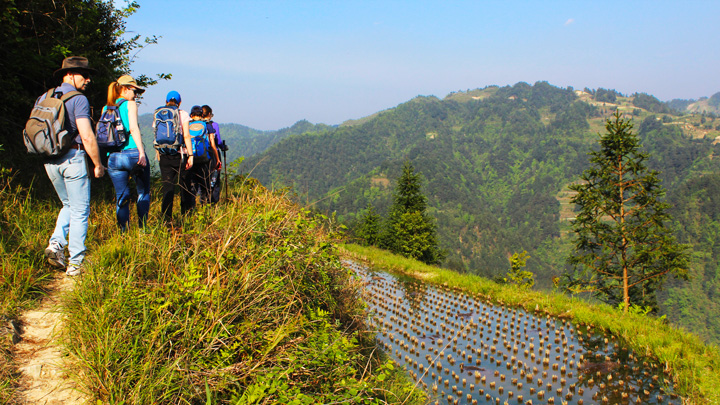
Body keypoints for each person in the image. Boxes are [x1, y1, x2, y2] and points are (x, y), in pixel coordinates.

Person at [41, 56, 106, 276]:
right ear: (68, 75)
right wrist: (97, 164)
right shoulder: (78, 99)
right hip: (73, 158)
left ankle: (56, 244)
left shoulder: (45, 96)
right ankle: (75, 264)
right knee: (80, 211)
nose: (88, 79)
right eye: (83, 74)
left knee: (68, 205)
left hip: (50, 161)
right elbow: (87, 136)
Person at [104, 75, 150, 231]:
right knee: (143, 192)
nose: (135, 95)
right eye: (134, 90)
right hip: (131, 153)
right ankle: (142, 229)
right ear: (124, 89)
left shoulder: (106, 108)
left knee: (121, 196)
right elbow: (134, 128)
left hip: (114, 156)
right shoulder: (130, 104)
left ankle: (123, 233)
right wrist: (141, 153)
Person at [154, 91, 193, 223]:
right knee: (184, 186)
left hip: (164, 155)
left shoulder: (158, 113)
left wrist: (158, 154)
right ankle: (186, 216)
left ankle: (166, 218)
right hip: (180, 154)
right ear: (179, 102)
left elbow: (157, 137)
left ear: (166, 101)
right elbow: (187, 135)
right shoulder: (183, 114)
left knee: (167, 187)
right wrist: (191, 155)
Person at [182, 105, 220, 212]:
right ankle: (205, 209)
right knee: (205, 185)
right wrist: (217, 159)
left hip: (191, 159)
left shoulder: (187, 125)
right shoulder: (207, 125)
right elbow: (212, 144)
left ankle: (191, 209)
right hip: (204, 160)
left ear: (191, 115)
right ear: (201, 115)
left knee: (192, 185)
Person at [201, 105, 224, 203]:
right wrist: (223, 147)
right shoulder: (214, 125)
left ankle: (202, 200)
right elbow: (218, 141)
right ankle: (213, 202)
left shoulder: (197, 125)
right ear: (209, 114)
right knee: (215, 179)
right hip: (213, 154)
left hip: (200, 154)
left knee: (202, 178)